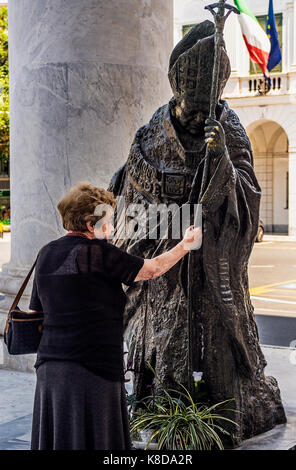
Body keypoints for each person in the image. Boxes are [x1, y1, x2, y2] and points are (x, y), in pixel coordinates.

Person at [29, 181, 202, 450]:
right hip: (91, 369)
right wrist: (185, 245)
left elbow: (37, 309)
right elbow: (152, 269)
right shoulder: (97, 252)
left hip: (50, 370)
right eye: (108, 220)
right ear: (90, 224)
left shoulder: (46, 252)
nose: (113, 227)